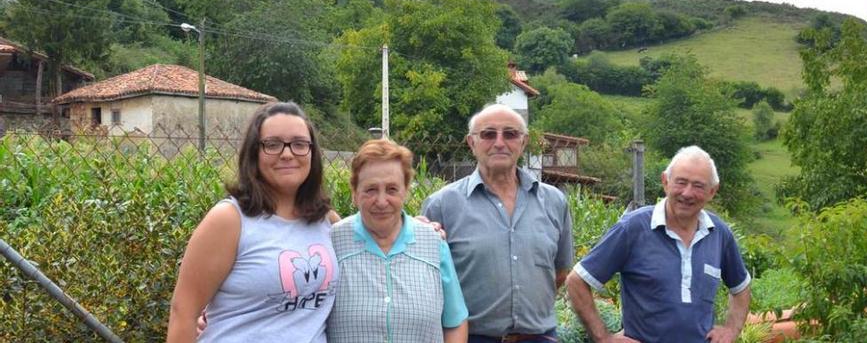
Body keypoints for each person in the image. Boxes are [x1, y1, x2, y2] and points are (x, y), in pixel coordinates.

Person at [167, 102, 338, 343]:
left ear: (312, 153)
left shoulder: (327, 220)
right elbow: (183, 313)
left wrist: (410, 224)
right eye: (273, 144)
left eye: (299, 144)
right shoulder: (229, 220)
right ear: (254, 153)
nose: (287, 153)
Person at [565, 145, 751, 343]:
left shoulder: (719, 233)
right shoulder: (633, 228)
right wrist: (603, 337)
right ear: (665, 182)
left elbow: (741, 287)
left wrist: (731, 329)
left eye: (698, 186)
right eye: (681, 182)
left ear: (712, 191)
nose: (687, 193)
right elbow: (577, 281)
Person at [422, 103, 574, 343]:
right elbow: (427, 282)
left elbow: (560, 273)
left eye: (510, 134)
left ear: (523, 142)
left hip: (539, 338)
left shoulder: (554, 201)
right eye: (488, 134)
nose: (500, 143)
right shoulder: (442, 205)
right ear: (472, 143)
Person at [328, 139, 468, 342]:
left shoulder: (433, 243)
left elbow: (455, 321)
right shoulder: (333, 242)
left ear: (406, 191)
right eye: (371, 189)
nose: (382, 201)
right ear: (354, 193)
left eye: (392, 189)